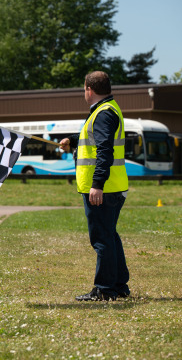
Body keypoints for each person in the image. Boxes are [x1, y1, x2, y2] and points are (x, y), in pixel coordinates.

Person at [59, 71, 130, 302]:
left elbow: (104, 150)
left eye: (83, 89)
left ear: (89, 89)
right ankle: (118, 285)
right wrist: (73, 139)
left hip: (103, 189)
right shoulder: (107, 110)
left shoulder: (103, 113)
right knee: (109, 236)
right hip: (112, 186)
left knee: (101, 239)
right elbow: (96, 140)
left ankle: (104, 289)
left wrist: (97, 184)